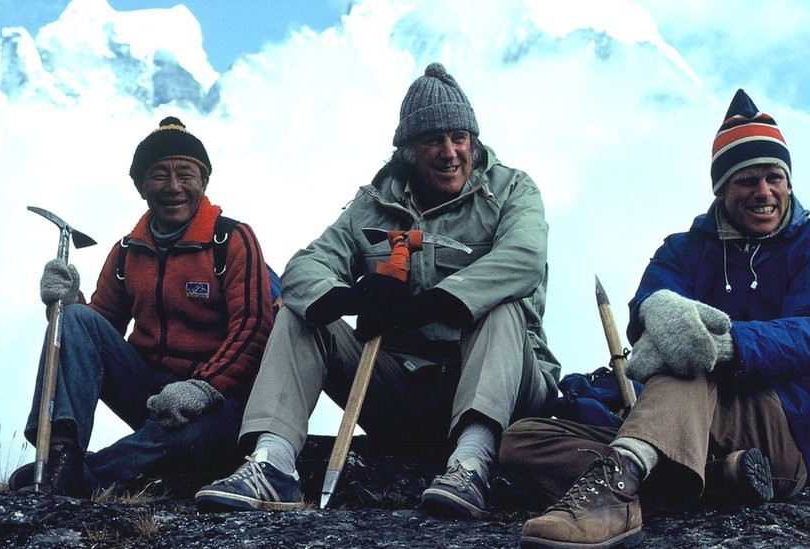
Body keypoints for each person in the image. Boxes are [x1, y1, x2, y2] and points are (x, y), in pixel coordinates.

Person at [195, 62, 561, 519]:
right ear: (408, 149)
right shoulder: (373, 206)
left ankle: (472, 463)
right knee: (299, 311)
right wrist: (351, 299)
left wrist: (435, 302)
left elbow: (524, 259)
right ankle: (272, 462)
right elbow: (306, 267)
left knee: (501, 308)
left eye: (459, 137)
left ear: (474, 140)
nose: (450, 153)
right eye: (433, 140)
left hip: (499, 383)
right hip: (395, 385)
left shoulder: (512, 190)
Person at [500, 89, 810, 548]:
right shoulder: (683, 249)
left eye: (774, 177)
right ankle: (711, 479)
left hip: (784, 424)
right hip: (685, 423)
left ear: (789, 181)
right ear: (722, 189)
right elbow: (649, 308)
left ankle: (614, 495)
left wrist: (727, 347)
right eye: (747, 181)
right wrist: (655, 311)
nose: (764, 192)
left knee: (688, 364)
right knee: (521, 442)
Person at [9, 117, 275, 497]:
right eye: (158, 175)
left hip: (219, 399)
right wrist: (64, 307)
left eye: (186, 174)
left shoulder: (231, 239)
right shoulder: (127, 252)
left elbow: (254, 325)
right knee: (76, 320)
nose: (173, 187)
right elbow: (91, 336)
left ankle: (84, 477)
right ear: (140, 186)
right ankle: (62, 454)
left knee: (188, 438)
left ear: (204, 181)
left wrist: (205, 386)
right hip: (150, 391)